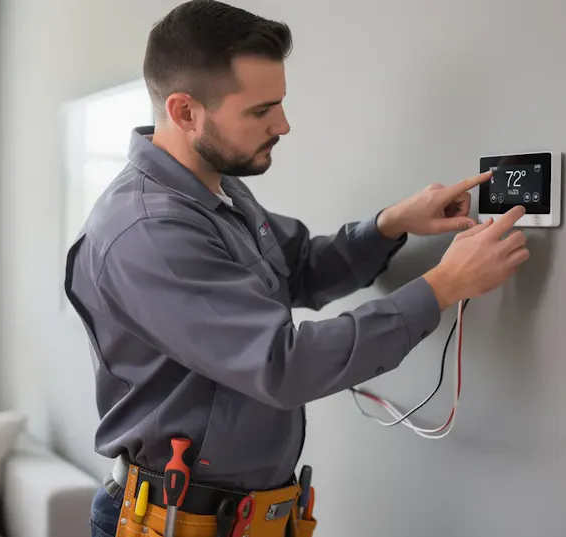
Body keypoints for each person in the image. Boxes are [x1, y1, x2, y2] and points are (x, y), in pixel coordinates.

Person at [64, 1, 529, 536]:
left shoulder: (219, 188)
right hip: (175, 525)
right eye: (261, 111)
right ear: (186, 111)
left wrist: (389, 224)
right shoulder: (147, 231)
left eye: (280, 103)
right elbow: (280, 366)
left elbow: (302, 269)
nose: (283, 124)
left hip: (245, 520)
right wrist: (442, 286)